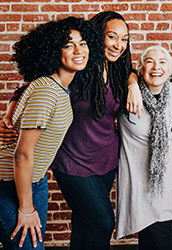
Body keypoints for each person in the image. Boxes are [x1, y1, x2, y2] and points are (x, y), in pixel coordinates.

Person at [1, 11, 134, 250]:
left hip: (104, 159)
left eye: (124, 39)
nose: (118, 45)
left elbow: (141, 71)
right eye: (112, 37)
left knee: (85, 222)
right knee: (102, 224)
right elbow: (27, 92)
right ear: (96, 37)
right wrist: (10, 115)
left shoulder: (118, 72)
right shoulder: (72, 73)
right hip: (72, 160)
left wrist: (132, 82)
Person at [115, 46, 172, 250]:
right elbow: (123, 70)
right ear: (141, 68)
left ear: (169, 69)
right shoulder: (126, 94)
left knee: (158, 226)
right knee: (153, 228)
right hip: (137, 174)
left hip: (165, 173)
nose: (156, 67)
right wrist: (133, 84)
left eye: (162, 62)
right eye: (150, 61)